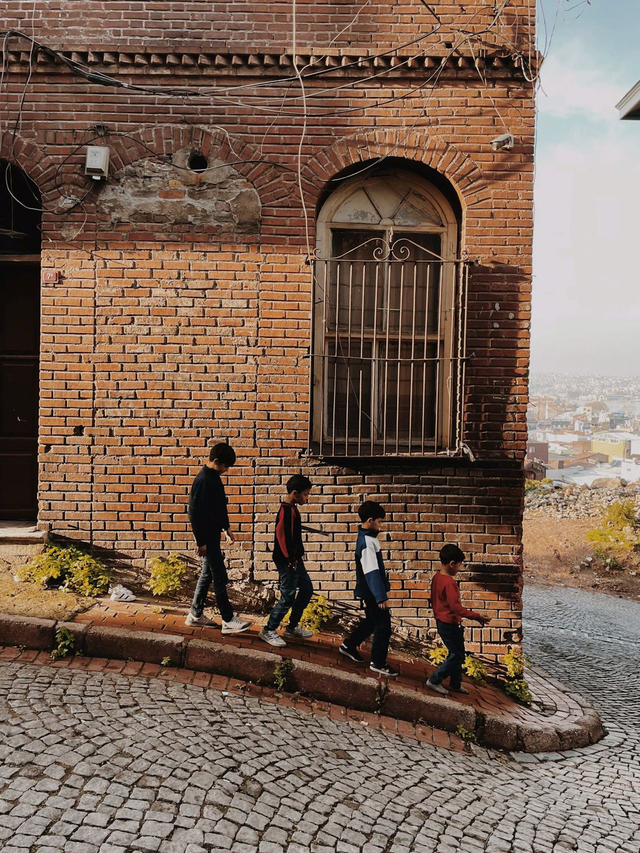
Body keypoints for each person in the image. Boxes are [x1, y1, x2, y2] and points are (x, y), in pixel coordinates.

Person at [186, 442, 251, 634]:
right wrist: (201, 543)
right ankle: (228, 619)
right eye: (224, 466)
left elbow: (217, 508)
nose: (226, 470)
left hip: (214, 534)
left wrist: (226, 528)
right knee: (220, 576)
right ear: (215, 461)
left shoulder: (213, 477)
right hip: (208, 538)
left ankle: (195, 615)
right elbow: (195, 514)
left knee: (207, 575)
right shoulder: (203, 480)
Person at [339, 501, 399, 677]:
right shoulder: (367, 542)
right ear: (370, 520)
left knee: (372, 622)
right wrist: (381, 596)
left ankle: (349, 645)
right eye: (379, 521)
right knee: (384, 627)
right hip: (373, 593)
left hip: (371, 592)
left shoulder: (369, 539)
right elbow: (371, 571)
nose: (380, 525)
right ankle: (378, 663)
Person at [426, 543, 491, 695]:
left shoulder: (437, 577)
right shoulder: (449, 582)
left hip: (443, 621)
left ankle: (455, 683)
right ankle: (434, 679)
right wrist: (478, 617)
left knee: (457, 653)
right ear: (452, 564)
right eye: (459, 566)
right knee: (457, 656)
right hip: (449, 623)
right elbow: (456, 608)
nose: (459, 569)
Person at [259, 474, 314, 648]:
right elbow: (281, 536)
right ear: (295, 494)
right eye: (305, 494)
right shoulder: (286, 511)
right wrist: (290, 559)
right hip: (288, 562)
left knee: (306, 589)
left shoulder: (293, 509)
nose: (307, 498)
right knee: (288, 596)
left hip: (296, 560)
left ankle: (291, 627)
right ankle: (268, 629)